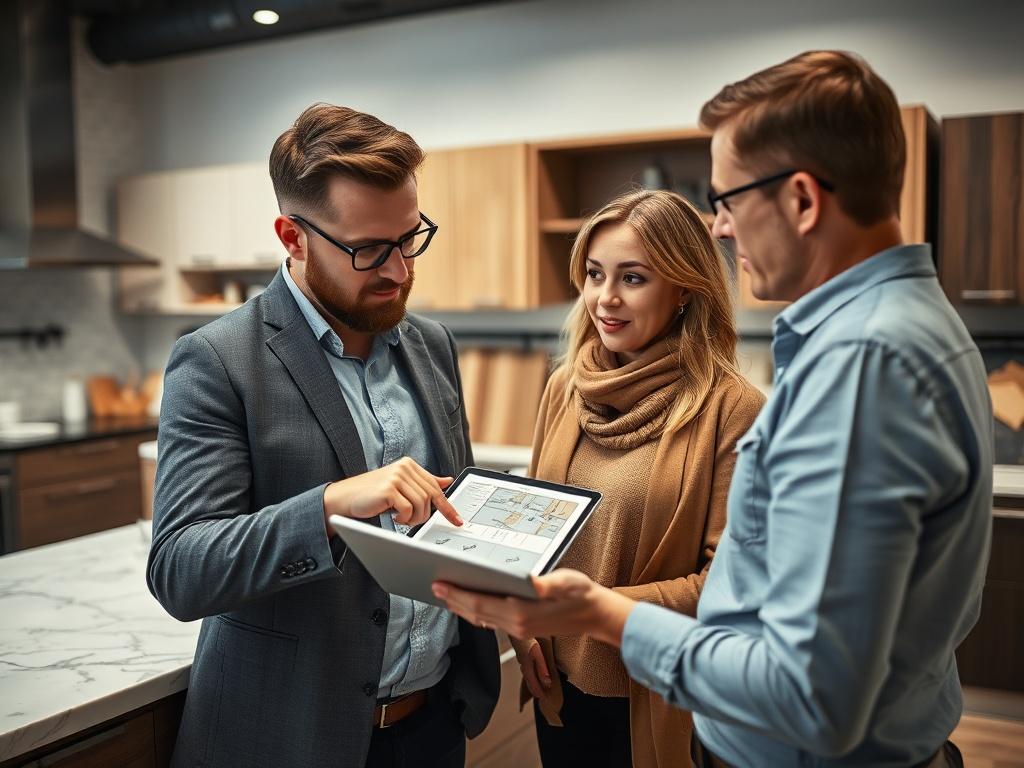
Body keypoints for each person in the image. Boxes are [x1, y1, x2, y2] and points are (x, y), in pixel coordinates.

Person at [435, 50, 992, 768]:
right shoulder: (905, 329)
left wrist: (598, 612)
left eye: (727, 201)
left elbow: (810, 696)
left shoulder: (862, 366)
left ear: (800, 199)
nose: (722, 229)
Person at [148, 103, 499, 768]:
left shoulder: (432, 346)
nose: (398, 270)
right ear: (292, 236)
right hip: (289, 740)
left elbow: (457, 517)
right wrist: (331, 506)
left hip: (432, 729)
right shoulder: (219, 361)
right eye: (368, 249)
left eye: (410, 238)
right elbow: (182, 570)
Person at [511, 188, 764, 767]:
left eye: (633, 278)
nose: (605, 298)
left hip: (659, 693)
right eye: (595, 274)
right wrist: (524, 632)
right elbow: (530, 536)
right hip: (559, 688)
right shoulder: (565, 387)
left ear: (683, 290)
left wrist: (587, 608)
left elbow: (727, 590)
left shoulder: (732, 408)